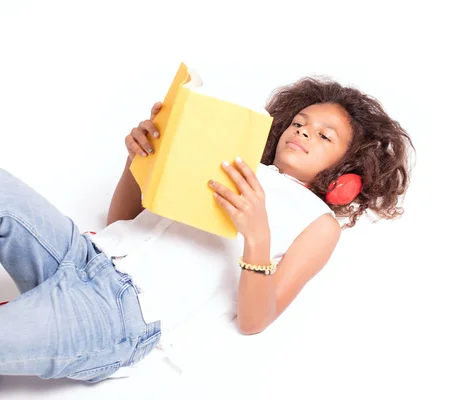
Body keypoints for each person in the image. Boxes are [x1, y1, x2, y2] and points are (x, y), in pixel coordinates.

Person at [0, 76, 414, 383]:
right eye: (299, 123)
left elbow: (255, 320)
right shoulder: (234, 163)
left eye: (325, 135)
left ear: (346, 174)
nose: (304, 131)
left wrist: (257, 236)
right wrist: (141, 159)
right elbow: (122, 225)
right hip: (83, 255)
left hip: (120, 317)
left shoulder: (319, 223)